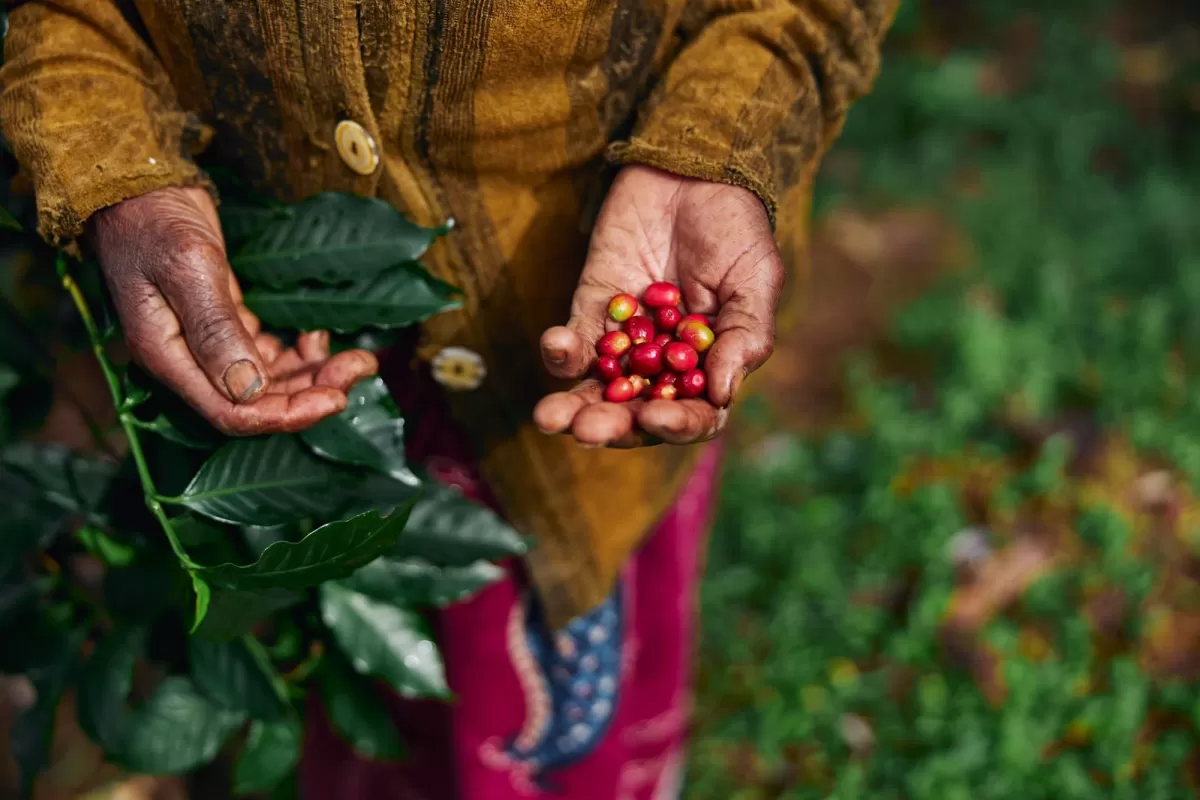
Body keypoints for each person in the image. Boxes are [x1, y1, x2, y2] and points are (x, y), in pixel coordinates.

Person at [0, 1, 897, 797]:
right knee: (335, 676)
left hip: (552, 412)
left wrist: (719, 148)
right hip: (285, 342)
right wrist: (118, 171)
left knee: (549, 643)